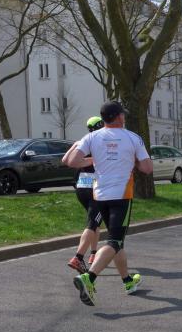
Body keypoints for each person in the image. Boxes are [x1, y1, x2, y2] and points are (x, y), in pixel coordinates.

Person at [63, 101, 154, 306]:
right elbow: (147, 168)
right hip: (121, 196)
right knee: (115, 241)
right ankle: (89, 277)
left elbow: (71, 161)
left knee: (117, 241)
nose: (125, 117)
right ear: (119, 117)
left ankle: (128, 281)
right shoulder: (133, 137)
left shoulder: (91, 137)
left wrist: (94, 160)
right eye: (123, 114)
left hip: (100, 196)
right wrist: (133, 160)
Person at [65, 116, 104, 273]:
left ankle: (93, 254)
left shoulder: (84, 141)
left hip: (81, 188)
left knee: (95, 222)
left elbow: (65, 160)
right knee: (92, 224)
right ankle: (78, 258)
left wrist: (74, 146)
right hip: (96, 188)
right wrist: (94, 159)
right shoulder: (102, 143)